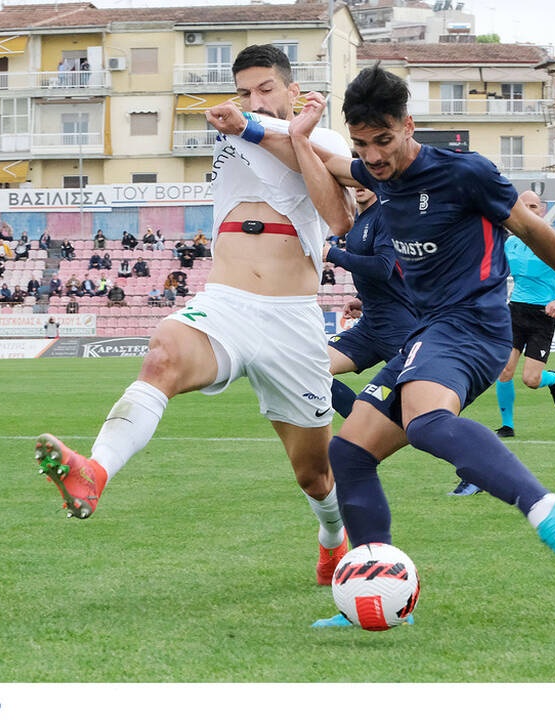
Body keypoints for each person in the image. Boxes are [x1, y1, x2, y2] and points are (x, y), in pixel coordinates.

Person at [282, 65, 555, 629]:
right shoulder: (374, 170)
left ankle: (549, 509)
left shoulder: (466, 173)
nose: (375, 157)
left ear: (409, 126)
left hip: (473, 324)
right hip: (427, 329)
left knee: (426, 422)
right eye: (364, 145)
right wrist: (275, 132)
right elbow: (335, 171)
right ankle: (374, 585)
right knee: (349, 453)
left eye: (384, 141)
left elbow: (533, 229)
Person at [33, 44, 356, 588]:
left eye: (266, 88)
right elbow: (260, 136)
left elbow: (339, 217)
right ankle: (94, 472)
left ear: (293, 90)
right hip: (225, 301)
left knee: (314, 472)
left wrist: (266, 127)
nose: (254, 100)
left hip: (293, 317)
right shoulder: (235, 134)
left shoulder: (323, 138)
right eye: (245, 91)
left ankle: (332, 542)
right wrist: (250, 125)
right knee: (163, 353)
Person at [451, 189, 555, 496]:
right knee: (504, 371)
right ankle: (507, 426)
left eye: (534, 206)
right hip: (514, 311)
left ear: (541, 210)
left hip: (544, 314)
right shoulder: (511, 242)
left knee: (531, 380)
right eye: (524, 205)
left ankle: (554, 378)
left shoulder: (549, 241)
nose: (529, 210)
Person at [324, 185, 417, 419]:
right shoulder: (359, 219)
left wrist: (332, 253)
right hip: (369, 326)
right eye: (353, 179)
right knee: (310, 369)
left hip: (400, 327)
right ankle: (361, 424)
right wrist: (361, 298)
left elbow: (383, 267)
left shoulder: (386, 216)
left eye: (364, 179)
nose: (358, 185)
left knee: (420, 408)